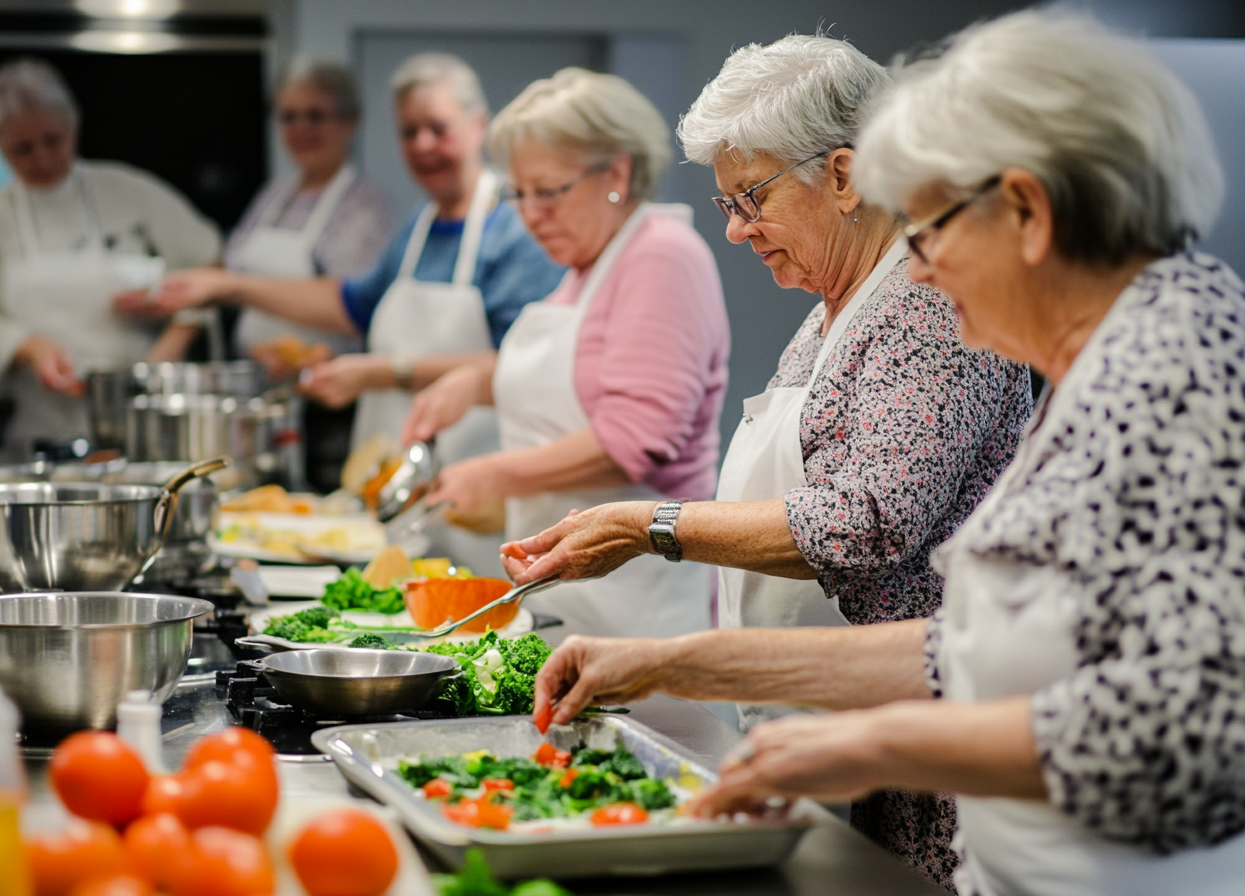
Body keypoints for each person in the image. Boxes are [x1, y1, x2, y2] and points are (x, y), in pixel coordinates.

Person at [533, 12, 1245, 896]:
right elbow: (972, 651)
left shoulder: (1179, 363)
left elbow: (1195, 736)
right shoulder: (1109, 361)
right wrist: (674, 662)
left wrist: (869, 741)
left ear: (1025, 211)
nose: (920, 267)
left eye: (931, 225)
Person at [499, 37, 1032, 887]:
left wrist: (651, 525)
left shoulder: (928, 306)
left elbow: (863, 522)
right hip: (831, 728)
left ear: (846, 177)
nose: (738, 229)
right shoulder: (832, 309)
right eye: (725, 205)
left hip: (922, 768)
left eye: (751, 197)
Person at [403, 69, 729, 641]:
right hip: (571, 591)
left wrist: (493, 474)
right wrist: (473, 382)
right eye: (518, 194)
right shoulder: (587, 267)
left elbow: (637, 439)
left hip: (636, 601)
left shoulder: (661, 255)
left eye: (549, 191)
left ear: (618, 173)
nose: (530, 215)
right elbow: (585, 372)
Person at [146, 53, 564, 466]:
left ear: (478, 125)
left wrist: (378, 373)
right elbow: (354, 305)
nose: (423, 145)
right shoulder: (420, 222)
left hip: (477, 468)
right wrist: (229, 287)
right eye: (409, 131)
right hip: (394, 462)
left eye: (438, 128)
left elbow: (519, 362)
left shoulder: (514, 227)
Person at [0, 57, 221, 457]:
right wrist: (32, 349)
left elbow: (210, 264)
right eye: (23, 149)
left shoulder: (129, 191)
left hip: (143, 422)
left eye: (53, 140)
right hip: (43, 431)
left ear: (74, 125)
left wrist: (170, 342)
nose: (43, 159)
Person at [156, 59, 393, 365]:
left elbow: (350, 303)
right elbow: (230, 266)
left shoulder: (365, 203)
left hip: (325, 385)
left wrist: (233, 287)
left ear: (350, 121)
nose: (301, 129)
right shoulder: (275, 195)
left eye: (315, 116)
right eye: (288, 117)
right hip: (255, 373)